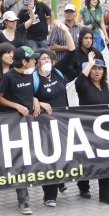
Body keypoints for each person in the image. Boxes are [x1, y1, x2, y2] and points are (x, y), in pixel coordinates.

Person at [0, 46, 39, 215]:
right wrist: (16, 106)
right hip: (11, 125)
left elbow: (29, 93)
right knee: (14, 162)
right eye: (32, 59)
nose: (35, 61)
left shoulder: (30, 75)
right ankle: (23, 201)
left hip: (27, 124)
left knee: (25, 162)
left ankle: (24, 200)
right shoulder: (8, 77)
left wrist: (35, 100)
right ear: (24, 62)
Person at [74, 51, 109, 204]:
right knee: (87, 161)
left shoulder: (105, 85)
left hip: (103, 131)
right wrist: (90, 62)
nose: (97, 71)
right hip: (87, 129)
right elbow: (78, 82)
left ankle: (105, 194)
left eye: (100, 68)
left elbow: (106, 100)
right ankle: (83, 185)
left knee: (104, 162)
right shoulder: (84, 85)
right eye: (94, 68)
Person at [32, 49, 69, 207]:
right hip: (45, 125)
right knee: (49, 158)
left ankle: (60, 181)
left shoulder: (58, 73)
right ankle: (50, 195)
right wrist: (38, 102)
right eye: (42, 58)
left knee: (63, 155)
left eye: (48, 58)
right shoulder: (33, 78)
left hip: (62, 122)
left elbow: (71, 53)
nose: (46, 61)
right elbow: (25, 96)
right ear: (37, 62)